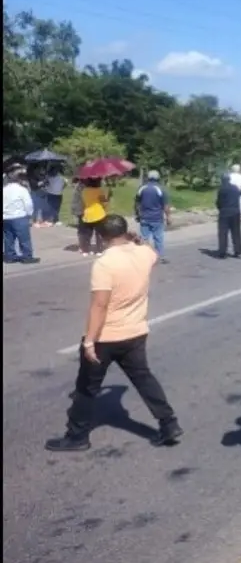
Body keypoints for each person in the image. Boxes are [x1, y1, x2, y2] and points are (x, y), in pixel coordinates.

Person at [45, 214, 183, 452]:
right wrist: (137, 239)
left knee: (87, 387)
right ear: (126, 232)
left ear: (101, 236)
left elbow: (100, 305)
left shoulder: (105, 263)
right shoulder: (143, 254)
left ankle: (77, 436)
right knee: (143, 378)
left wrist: (89, 341)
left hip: (106, 337)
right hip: (135, 332)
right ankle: (168, 423)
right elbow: (154, 253)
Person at [3, 170, 38, 264]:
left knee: (8, 238)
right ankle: (27, 257)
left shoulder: (4, 189)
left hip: (5, 217)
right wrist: (30, 214)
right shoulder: (22, 190)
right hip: (19, 216)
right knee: (24, 238)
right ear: (18, 180)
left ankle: (9, 256)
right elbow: (28, 204)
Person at [135, 170, 171, 263]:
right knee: (158, 238)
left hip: (144, 217)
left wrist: (137, 214)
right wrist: (168, 217)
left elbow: (137, 203)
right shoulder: (161, 189)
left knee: (144, 238)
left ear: (148, 177)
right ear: (158, 178)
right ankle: (159, 257)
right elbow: (166, 206)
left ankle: (144, 256)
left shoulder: (142, 188)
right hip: (157, 218)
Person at [78, 178, 109, 256]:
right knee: (99, 234)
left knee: (87, 234)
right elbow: (104, 203)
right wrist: (108, 197)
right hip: (99, 214)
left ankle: (85, 250)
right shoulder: (99, 191)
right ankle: (99, 250)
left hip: (88, 214)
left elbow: (83, 202)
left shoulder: (84, 191)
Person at [215, 173, 241, 258]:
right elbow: (239, 194)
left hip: (225, 212)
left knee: (223, 233)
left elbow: (219, 202)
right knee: (236, 232)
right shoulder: (235, 188)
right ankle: (238, 251)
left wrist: (220, 208)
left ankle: (222, 252)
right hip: (236, 212)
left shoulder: (222, 189)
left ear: (222, 180)